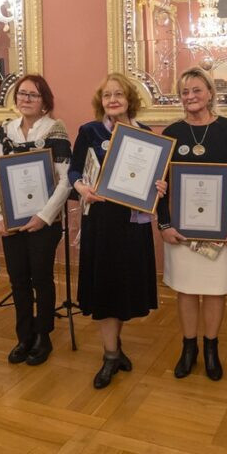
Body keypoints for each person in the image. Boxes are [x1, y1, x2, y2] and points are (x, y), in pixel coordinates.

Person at [70, 73, 166, 389]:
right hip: (101, 222)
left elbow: (152, 178)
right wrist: (82, 187)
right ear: (102, 101)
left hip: (132, 225)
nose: (113, 100)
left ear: (130, 99)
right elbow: (73, 170)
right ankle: (110, 355)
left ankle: (116, 347)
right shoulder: (90, 131)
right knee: (106, 288)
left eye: (119, 94)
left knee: (122, 287)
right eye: (107, 95)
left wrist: (159, 186)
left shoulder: (146, 135)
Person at [157, 67, 227, 380]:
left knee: (214, 290)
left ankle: (211, 349)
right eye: (185, 92)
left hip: (220, 231)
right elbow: (160, 185)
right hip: (181, 232)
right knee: (185, 290)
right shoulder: (171, 132)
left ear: (210, 92)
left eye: (197, 90)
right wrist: (165, 224)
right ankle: (188, 348)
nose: (191, 97)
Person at [0, 74, 72, 365]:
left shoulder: (55, 130)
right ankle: (23, 336)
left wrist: (44, 216)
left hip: (42, 221)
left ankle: (43, 335)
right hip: (11, 221)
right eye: (22, 94)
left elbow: (65, 181)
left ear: (44, 101)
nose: (25, 99)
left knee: (41, 278)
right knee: (18, 280)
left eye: (33, 95)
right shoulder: (5, 130)